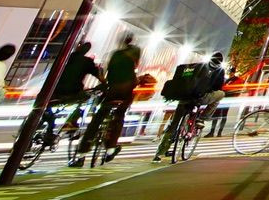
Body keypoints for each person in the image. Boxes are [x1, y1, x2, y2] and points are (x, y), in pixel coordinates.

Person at [77, 36, 143, 166]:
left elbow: (106, 73)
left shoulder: (115, 54)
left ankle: (82, 152)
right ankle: (111, 149)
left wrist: (105, 84)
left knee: (98, 117)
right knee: (119, 116)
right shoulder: (134, 53)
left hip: (111, 89)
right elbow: (134, 73)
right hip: (124, 91)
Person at [155, 52, 227, 159]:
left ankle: (159, 153)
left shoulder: (197, 66)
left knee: (173, 125)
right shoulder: (219, 70)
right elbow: (218, 87)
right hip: (200, 97)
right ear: (220, 62)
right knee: (221, 94)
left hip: (184, 97)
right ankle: (202, 118)